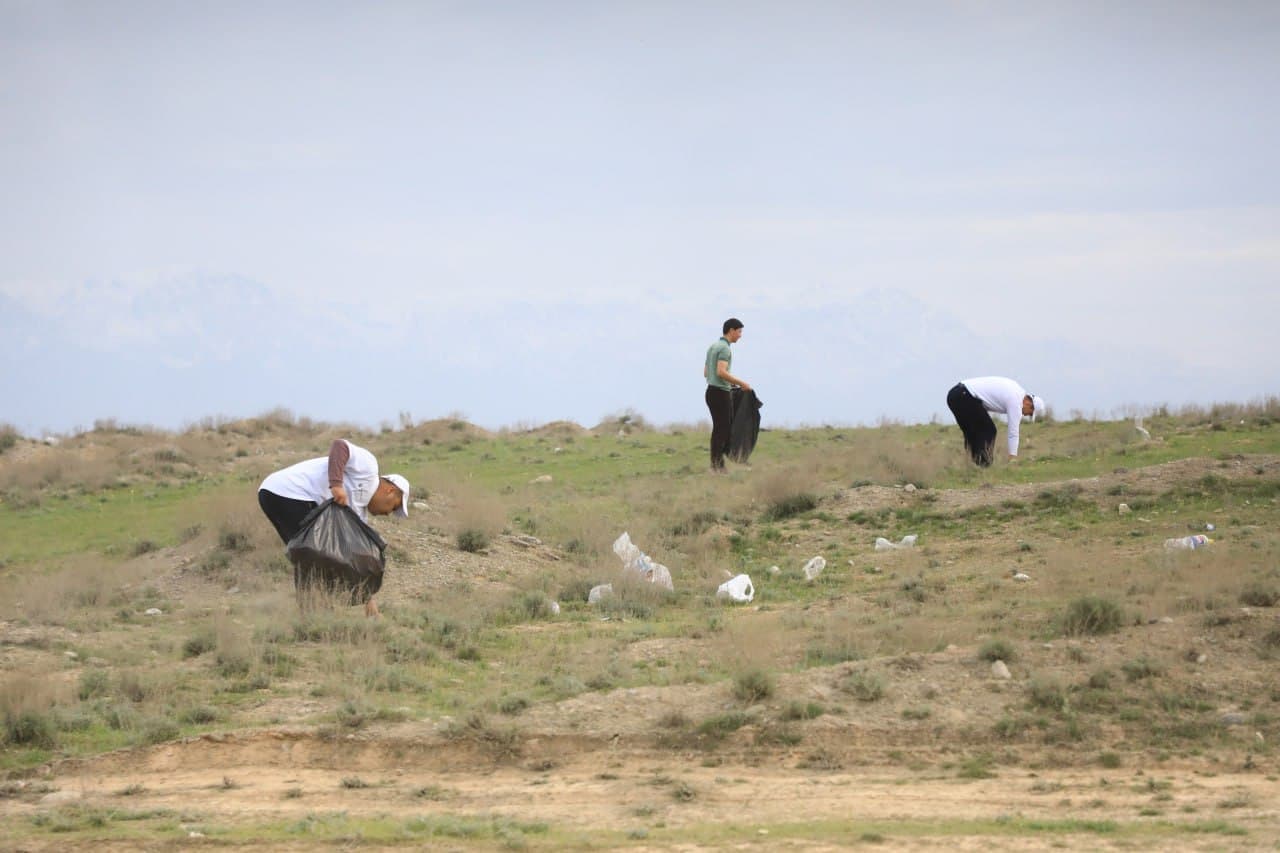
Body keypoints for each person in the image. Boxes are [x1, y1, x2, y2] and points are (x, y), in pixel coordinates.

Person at [258, 438, 410, 616]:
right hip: (289, 492)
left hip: (275, 496)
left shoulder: (358, 515)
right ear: (390, 491)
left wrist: (369, 600)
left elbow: (356, 560)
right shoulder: (368, 467)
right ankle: (314, 613)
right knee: (312, 553)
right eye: (393, 507)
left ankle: (313, 614)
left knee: (309, 555)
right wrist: (336, 485)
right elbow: (340, 446)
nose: (388, 513)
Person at [946, 377, 1046, 467]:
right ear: (1029, 403)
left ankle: (972, 466)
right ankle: (984, 466)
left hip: (955, 394)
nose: (1026, 415)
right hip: (964, 396)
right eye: (1030, 413)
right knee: (989, 430)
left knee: (972, 433)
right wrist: (1012, 458)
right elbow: (1013, 433)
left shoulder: (1016, 390)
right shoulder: (1016, 401)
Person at [703, 318, 751, 472]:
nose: (740, 335)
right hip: (719, 393)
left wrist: (728, 382)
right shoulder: (724, 349)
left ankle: (717, 464)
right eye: (739, 331)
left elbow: (706, 372)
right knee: (722, 429)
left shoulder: (712, 347)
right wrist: (741, 383)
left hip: (711, 391)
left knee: (719, 428)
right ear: (731, 330)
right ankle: (717, 466)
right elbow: (721, 371)